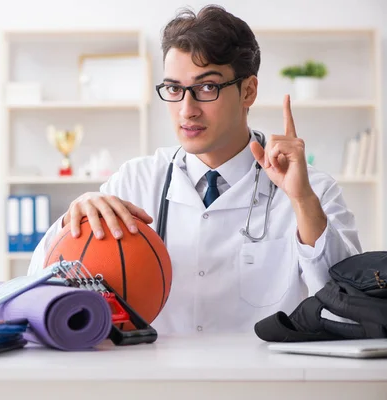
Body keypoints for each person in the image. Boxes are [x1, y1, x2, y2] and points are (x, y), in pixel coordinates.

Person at [26, 5, 362, 335]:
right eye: (174, 89)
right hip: (158, 384)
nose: (187, 110)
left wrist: (302, 201)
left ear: (248, 91)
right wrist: (74, 223)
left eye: (206, 87)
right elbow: (37, 282)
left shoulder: (312, 190)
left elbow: (348, 309)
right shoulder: (134, 182)